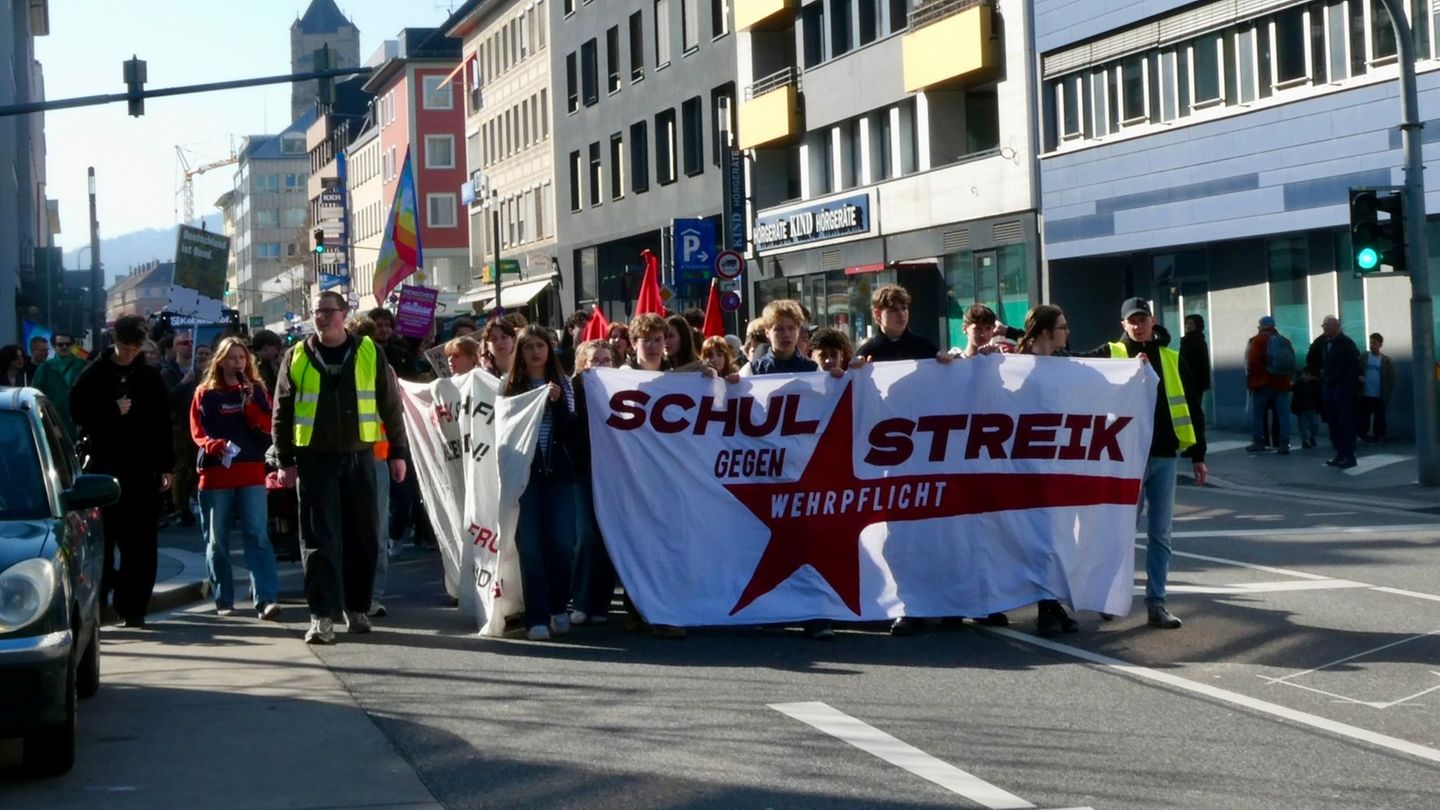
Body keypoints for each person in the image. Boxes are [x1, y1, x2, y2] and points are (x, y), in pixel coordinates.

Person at [272, 290, 410, 645]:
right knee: (319, 540)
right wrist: (285, 460)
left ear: (344, 314)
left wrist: (398, 453)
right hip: (314, 459)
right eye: (317, 311)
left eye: (329, 311)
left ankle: (358, 607)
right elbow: (282, 411)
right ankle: (321, 616)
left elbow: (390, 404)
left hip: (360, 456)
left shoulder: (369, 351)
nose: (322, 317)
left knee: (364, 537)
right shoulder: (296, 355)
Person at [1078, 298, 1206, 629]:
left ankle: (1157, 604)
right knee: (1121, 532)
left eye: (1143, 319)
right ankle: (1108, 597)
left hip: (1164, 456)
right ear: (1123, 324)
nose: (1138, 325)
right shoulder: (1111, 353)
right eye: (1132, 321)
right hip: (1127, 459)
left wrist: (1198, 455)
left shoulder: (1171, 357)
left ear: (1153, 321)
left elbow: (1192, 405)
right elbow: (1069, 365)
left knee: (1161, 535)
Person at [737, 300, 834, 640]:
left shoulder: (812, 370)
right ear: (767, 332)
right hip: (766, 471)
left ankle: (816, 614)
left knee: (809, 542)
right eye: (779, 328)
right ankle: (775, 610)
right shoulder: (753, 370)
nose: (786, 334)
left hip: (803, 468)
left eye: (791, 328)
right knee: (768, 542)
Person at [70, 315, 175, 628]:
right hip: (103, 470)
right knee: (102, 541)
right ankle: (100, 602)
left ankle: (133, 607)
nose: (129, 354)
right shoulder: (94, 374)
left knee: (140, 544)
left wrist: (166, 466)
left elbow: (163, 424)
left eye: (134, 349)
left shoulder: (150, 377)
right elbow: (77, 412)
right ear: (115, 342)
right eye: (125, 348)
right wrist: (111, 411)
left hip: (142, 470)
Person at [190, 337, 282, 621]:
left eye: (241, 358)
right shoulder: (205, 392)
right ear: (220, 361)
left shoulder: (257, 390)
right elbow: (197, 430)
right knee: (217, 541)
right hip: (216, 473)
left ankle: (265, 599)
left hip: (251, 471)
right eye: (231, 358)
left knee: (257, 535)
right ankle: (224, 599)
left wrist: (251, 403)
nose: (237, 363)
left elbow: (268, 426)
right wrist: (213, 445)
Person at [504, 325, 579, 641]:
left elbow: (571, 432)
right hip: (526, 478)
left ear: (549, 350)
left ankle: (558, 605)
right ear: (520, 353)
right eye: (528, 347)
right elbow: (504, 431)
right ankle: (536, 616)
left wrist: (558, 404)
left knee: (563, 543)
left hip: (558, 476)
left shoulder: (564, 384)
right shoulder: (510, 388)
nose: (535, 352)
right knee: (531, 547)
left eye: (540, 345)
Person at [1016, 305, 1081, 636]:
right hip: (1029, 466)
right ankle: (1045, 607)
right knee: (1041, 537)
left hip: (1059, 464)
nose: (1067, 332)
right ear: (1045, 332)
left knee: (1059, 537)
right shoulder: (1016, 366)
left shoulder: (1064, 363)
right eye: (1062, 327)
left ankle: (1052, 603)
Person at [570, 339, 617, 625]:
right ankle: (580, 600)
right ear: (583, 364)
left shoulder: (619, 389)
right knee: (586, 537)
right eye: (595, 360)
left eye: (606, 360)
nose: (601, 364)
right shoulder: (572, 390)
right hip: (581, 473)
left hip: (613, 476)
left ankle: (600, 603)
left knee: (608, 538)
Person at [169, 342, 214, 527]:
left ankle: (188, 497)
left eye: (189, 343)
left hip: (199, 426)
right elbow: (168, 398)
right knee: (181, 468)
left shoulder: (201, 373)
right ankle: (181, 508)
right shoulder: (169, 371)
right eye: (183, 343)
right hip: (179, 426)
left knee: (196, 467)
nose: (187, 346)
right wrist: (183, 383)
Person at [1310, 316, 1362, 469]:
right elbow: (1314, 359)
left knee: (1346, 422)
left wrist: (1348, 386)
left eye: (1327, 325)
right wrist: (1321, 375)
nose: (1324, 328)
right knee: (1333, 423)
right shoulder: (1325, 343)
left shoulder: (1346, 343)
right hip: (1329, 386)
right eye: (1323, 325)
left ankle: (1349, 455)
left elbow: (1354, 366)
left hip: (1342, 388)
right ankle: (1339, 452)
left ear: (1336, 326)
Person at [1245, 316, 1294, 455]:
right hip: (1281, 383)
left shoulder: (1258, 340)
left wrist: (1252, 377)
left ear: (1261, 326)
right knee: (1283, 414)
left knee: (1258, 413)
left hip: (1262, 382)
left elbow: (1252, 362)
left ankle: (1259, 441)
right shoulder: (1284, 340)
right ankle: (1284, 443)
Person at [854, 284, 939, 361]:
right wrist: (862, 368)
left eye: (904, 308)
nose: (901, 314)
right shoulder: (867, 352)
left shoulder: (923, 347)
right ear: (878, 314)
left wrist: (944, 358)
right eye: (894, 310)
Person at [31, 331, 86, 438]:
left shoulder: (84, 366)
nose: (64, 347)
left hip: (80, 424)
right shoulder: (45, 368)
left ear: (72, 345)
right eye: (60, 344)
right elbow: (36, 397)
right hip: (54, 422)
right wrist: (48, 424)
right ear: (54, 346)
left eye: (68, 344)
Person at [1357, 332, 1396, 443]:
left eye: (1374, 343)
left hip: (1379, 394)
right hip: (1365, 393)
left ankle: (1379, 436)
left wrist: (1387, 390)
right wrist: (1358, 377)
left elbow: (1391, 377)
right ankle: (1363, 435)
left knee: (1380, 418)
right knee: (1364, 417)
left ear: (1380, 345)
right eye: (1370, 343)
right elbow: (1356, 369)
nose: (1372, 345)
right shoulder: (1364, 357)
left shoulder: (1385, 360)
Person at [1291, 368, 1322, 450]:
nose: (1304, 376)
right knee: (1303, 427)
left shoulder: (1315, 384)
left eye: (1307, 375)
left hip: (1313, 408)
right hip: (1302, 409)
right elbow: (1292, 390)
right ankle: (1304, 441)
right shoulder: (1299, 384)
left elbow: (1319, 395)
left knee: (1314, 425)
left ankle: (1311, 436)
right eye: (1304, 374)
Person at [250, 329, 284, 394]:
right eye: (259, 351)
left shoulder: (284, 361)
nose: (261, 354)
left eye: (265, 349)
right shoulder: (259, 368)